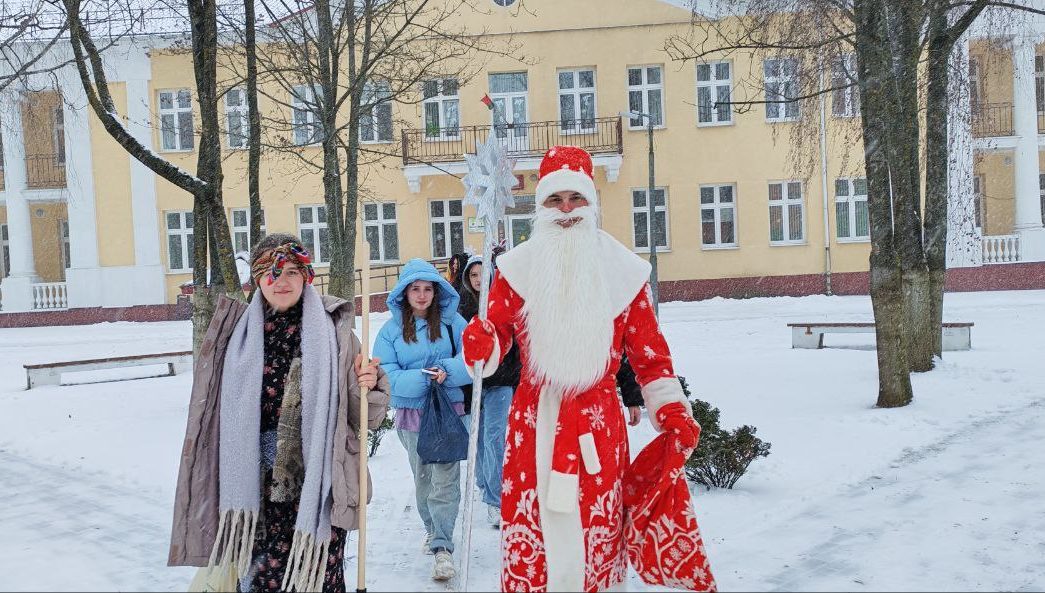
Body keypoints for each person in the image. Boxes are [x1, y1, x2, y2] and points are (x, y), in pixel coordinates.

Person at [462, 146, 715, 592]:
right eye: (555, 200)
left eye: (575, 198)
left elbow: (650, 354)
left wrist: (671, 410)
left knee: (595, 536)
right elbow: (496, 339)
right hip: (533, 424)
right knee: (534, 541)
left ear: (591, 202)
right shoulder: (515, 270)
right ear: (541, 206)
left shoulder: (624, 272)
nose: (566, 210)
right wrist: (482, 344)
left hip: (597, 428)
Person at [168, 233, 391, 593]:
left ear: (306, 276)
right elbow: (212, 420)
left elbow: (366, 417)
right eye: (271, 273)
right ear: (257, 279)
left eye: (291, 272)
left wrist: (370, 385)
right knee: (261, 583)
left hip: (317, 488)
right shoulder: (233, 337)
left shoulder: (336, 334)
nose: (281, 282)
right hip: (253, 493)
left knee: (315, 581)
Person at [373, 258, 471, 581]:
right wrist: (424, 377)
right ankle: (431, 527)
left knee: (446, 479)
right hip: (412, 414)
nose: (421, 295)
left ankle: (443, 545)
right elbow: (385, 373)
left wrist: (448, 371)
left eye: (428, 288)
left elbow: (472, 357)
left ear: (436, 291)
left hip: (448, 411)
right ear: (404, 292)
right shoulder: (390, 331)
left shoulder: (453, 323)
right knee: (424, 478)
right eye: (415, 288)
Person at [457, 254, 521, 528]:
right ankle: (485, 483)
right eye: (473, 275)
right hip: (472, 384)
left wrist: (506, 369)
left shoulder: (502, 303)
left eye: (483, 274)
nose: (479, 280)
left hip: (500, 382)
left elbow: (514, 343)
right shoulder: (461, 308)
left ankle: (495, 500)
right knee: (479, 437)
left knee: (494, 437)